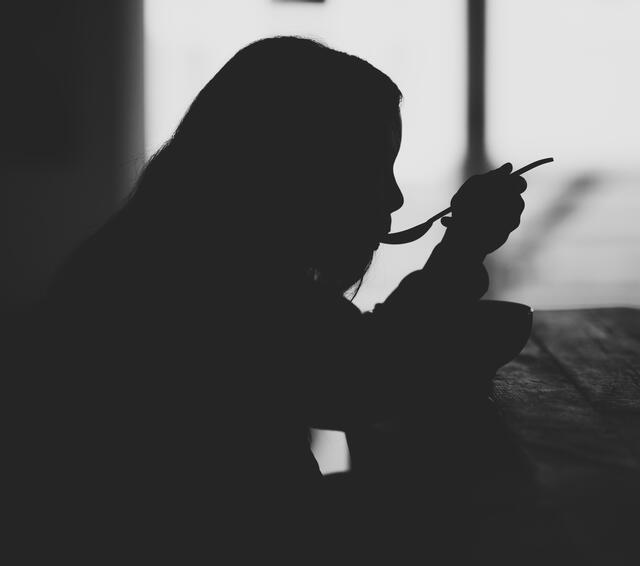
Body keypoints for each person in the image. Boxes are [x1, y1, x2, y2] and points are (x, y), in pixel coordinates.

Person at [17, 36, 527, 561]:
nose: (394, 197)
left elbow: (348, 355)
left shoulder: (166, 249)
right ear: (306, 170)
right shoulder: (226, 282)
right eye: (375, 166)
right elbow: (366, 380)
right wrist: (462, 248)